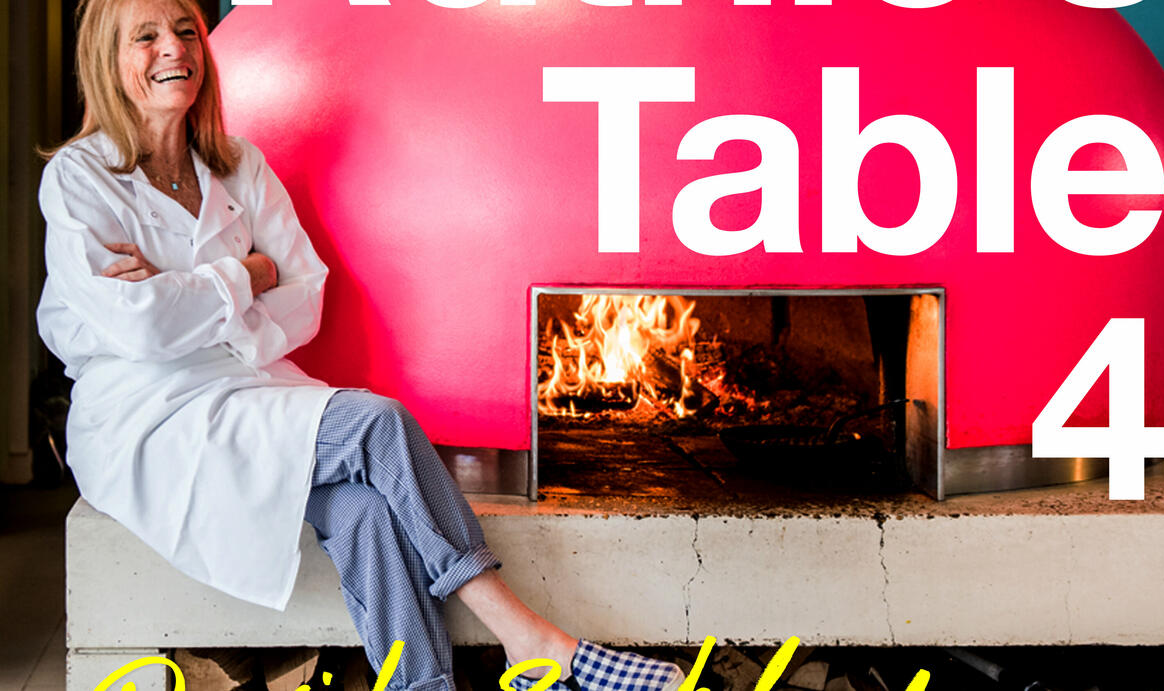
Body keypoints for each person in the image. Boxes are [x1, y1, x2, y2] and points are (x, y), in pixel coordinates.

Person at [36, 1, 685, 689]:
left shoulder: (238, 164)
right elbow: (139, 329)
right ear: (107, 60)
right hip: (148, 418)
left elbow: (305, 293)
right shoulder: (79, 179)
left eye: (186, 30)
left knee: (366, 512)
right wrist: (246, 275)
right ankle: (530, 639)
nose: (174, 47)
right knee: (376, 423)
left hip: (245, 386)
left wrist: (186, 296)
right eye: (146, 36)